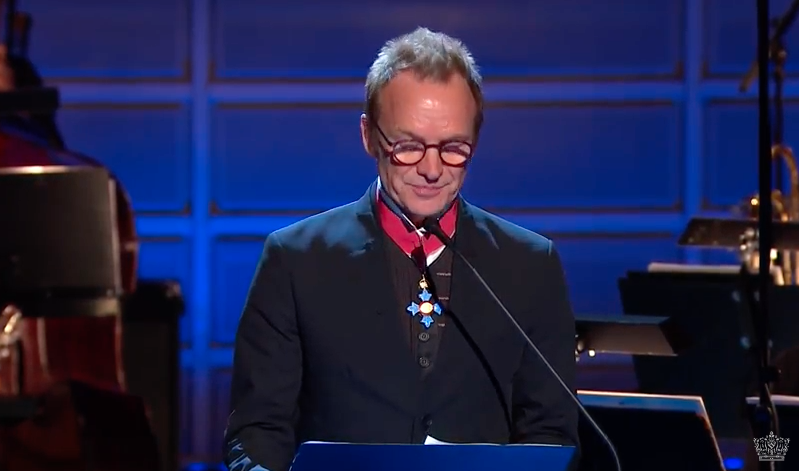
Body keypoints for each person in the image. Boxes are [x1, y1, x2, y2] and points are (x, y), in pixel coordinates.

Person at [224, 27, 579, 471]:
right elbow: (257, 435)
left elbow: (550, 434)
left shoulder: (530, 265)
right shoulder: (295, 261)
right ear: (369, 136)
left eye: (453, 148)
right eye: (408, 146)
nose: (432, 169)